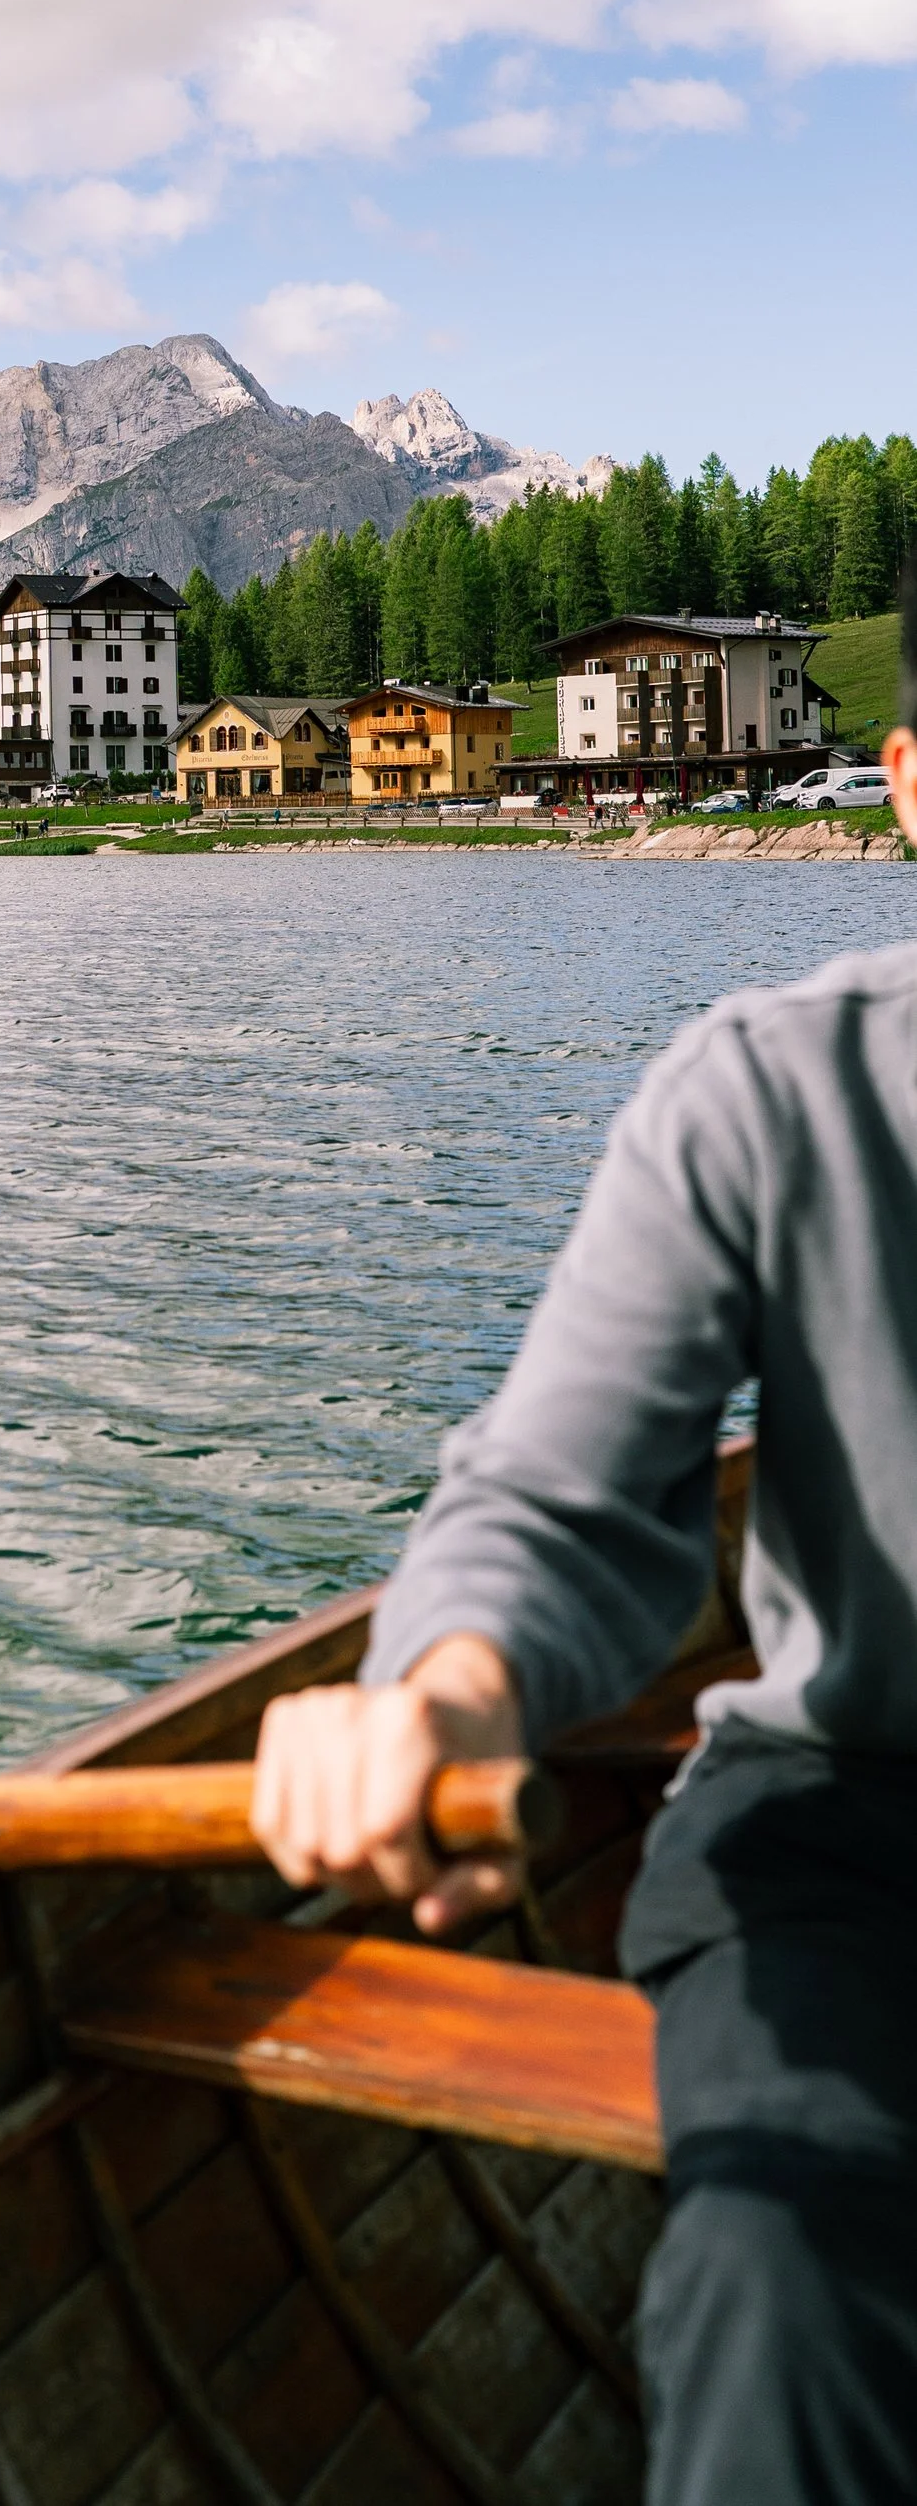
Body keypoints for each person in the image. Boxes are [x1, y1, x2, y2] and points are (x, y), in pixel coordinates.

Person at [252, 578, 917, 2506]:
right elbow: (559, 1500)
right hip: (852, 1825)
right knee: (785, 2277)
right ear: (904, 788)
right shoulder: (770, 1090)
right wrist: (444, 1686)